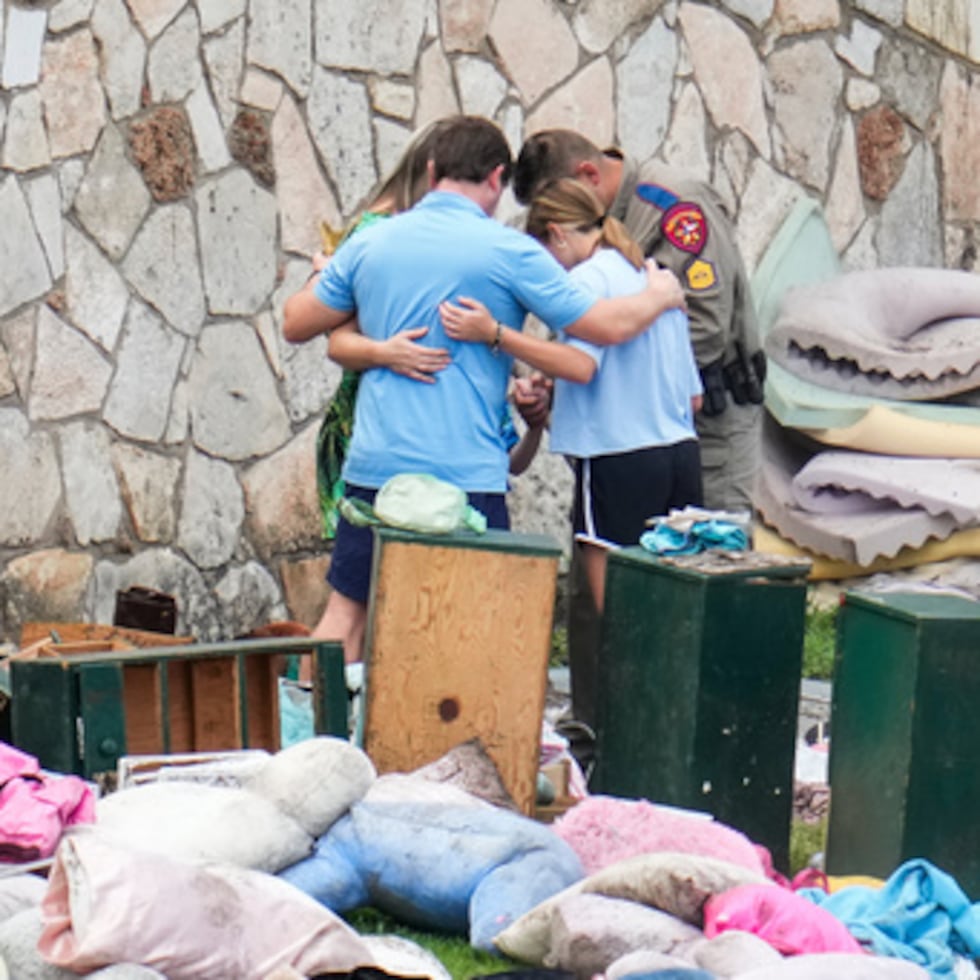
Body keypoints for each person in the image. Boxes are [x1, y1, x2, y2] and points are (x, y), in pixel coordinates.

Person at [282, 115, 685, 663]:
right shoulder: (508, 251)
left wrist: (324, 274)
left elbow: (296, 322)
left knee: (345, 614)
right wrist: (659, 295)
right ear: (497, 180)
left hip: (377, 468)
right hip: (467, 475)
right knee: (471, 627)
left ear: (430, 170)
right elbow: (605, 328)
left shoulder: (372, 242)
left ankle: (311, 739)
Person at [441, 178, 703, 612]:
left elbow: (581, 366)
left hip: (618, 458)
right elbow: (693, 397)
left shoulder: (585, 280)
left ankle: (624, 682)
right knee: (672, 611)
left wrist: (496, 334)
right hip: (680, 455)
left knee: (621, 613)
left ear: (557, 235)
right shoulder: (652, 278)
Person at [512, 129, 764, 512]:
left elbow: (706, 327)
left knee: (701, 558)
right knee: (613, 562)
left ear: (589, 176)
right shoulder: (591, 236)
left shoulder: (676, 205)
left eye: (559, 200)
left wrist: (601, 368)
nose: (556, 219)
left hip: (706, 431)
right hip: (621, 442)